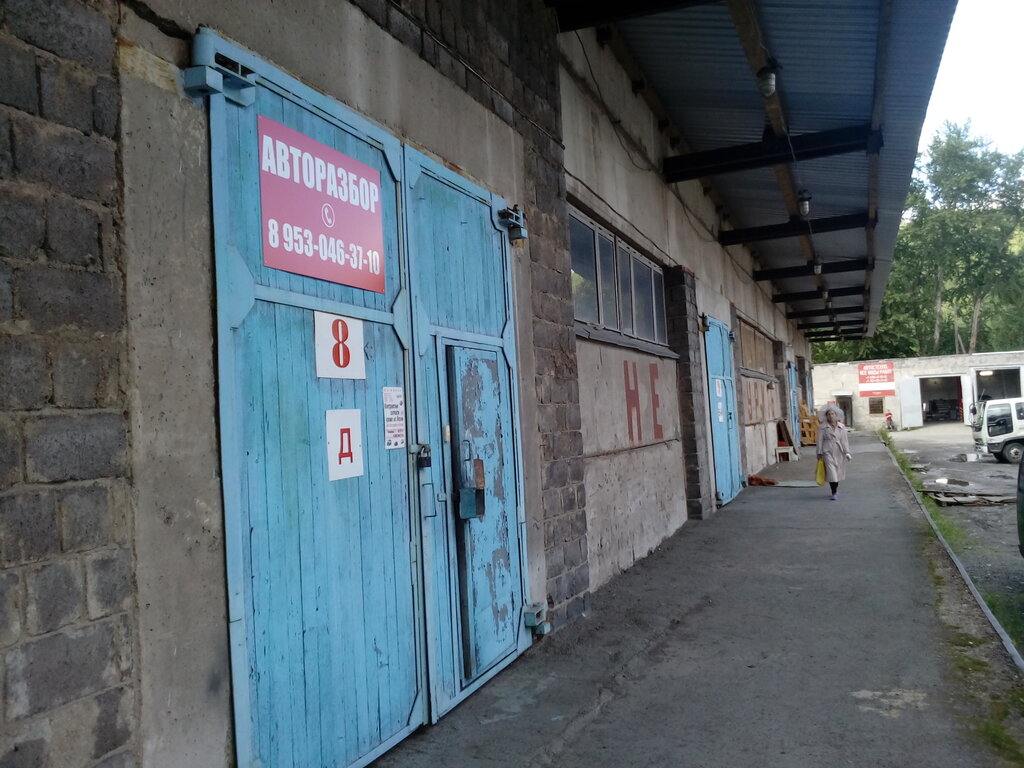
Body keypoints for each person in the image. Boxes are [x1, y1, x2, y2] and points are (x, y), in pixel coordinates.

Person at [816, 406, 851, 500]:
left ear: (836, 415)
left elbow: (844, 440)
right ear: (826, 416)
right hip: (827, 451)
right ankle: (834, 492)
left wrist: (847, 452)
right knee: (832, 473)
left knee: (838, 472)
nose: (831, 416)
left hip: (839, 451)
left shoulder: (841, 427)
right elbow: (819, 440)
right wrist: (819, 452)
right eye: (828, 414)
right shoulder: (822, 427)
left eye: (832, 414)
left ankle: (836, 489)